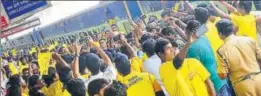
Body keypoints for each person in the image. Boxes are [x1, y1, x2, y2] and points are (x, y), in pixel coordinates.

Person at [216, 19, 261, 96]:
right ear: (232, 29)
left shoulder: (221, 51)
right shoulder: (249, 39)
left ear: (220, 34)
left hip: (242, 85)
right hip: (258, 78)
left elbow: (222, 75)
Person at [185, 20, 229, 95]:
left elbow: (197, 71)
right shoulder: (204, 38)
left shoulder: (192, 49)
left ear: (189, 32)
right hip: (221, 78)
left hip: (213, 84)